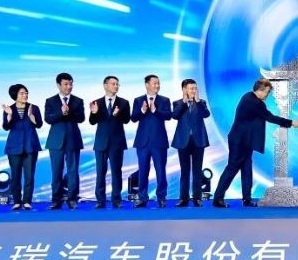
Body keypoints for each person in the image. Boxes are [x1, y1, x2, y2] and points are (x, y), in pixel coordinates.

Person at [213, 78, 298, 208]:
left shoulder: (248, 96)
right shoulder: (255, 103)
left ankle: (247, 199)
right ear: (260, 90)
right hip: (239, 141)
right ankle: (217, 199)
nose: (267, 95)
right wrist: (291, 122)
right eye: (267, 92)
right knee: (232, 168)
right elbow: (270, 117)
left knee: (246, 169)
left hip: (245, 141)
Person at [44, 72, 85, 210]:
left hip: (73, 140)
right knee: (56, 171)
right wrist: (61, 113)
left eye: (71, 84)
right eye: (66, 84)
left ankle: (72, 199)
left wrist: (69, 112)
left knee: (73, 171)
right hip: (56, 141)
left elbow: (81, 118)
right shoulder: (50, 101)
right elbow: (48, 119)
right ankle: (56, 200)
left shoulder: (78, 101)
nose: (69, 87)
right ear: (58, 85)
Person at [89, 75, 131, 209]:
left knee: (116, 172)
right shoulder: (97, 102)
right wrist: (94, 113)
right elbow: (92, 121)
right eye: (113, 84)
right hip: (101, 143)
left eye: (117, 84)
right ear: (105, 85)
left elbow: (126, 120)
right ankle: (100, 200)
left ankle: (116, 199)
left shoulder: (123, 102)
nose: (116, 86)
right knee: (100, 173)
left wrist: (118, 115)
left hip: (117, 143)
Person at [131, 74, 172, 208]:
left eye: (158, 83)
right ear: (147, 85)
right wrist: (142, 110)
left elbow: (168, 116)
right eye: (154, 83)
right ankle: (142, 198)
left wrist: (155, 110)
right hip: (142, 142)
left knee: (160, 170)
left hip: (159, 142)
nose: (157, 86)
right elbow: (133, 118)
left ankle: (161, 197)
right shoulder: (138, 100)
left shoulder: (164, 100)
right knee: (143, 171)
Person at [2, 84, 43, 211]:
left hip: (30, 145)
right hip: (14, 146)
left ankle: (27, 201)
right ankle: (17, 201)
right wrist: (9, 116)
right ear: (15, 95)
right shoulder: (9, 109)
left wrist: (32, 118)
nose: (25, 95)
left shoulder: (34, 108)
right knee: (15, 175)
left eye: (26, 93)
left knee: (29, 175)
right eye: (22, 93)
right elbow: (6, 127)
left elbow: (39, 124)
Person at [171, 78, 211, 207]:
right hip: (183, 141)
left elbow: (206, 114)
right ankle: (183, 198)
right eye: (191, 88)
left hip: (198, 140)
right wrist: (184, 101)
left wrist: (198, 101)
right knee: (184, 171)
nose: (194, 90)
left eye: (195, 88)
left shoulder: (201, 103)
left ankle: (197, 198)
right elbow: (175, 115)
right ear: (184, 89)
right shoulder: (177, 103)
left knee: (197, 170)